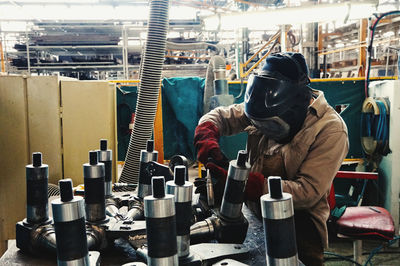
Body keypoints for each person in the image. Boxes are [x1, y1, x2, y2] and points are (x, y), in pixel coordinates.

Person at [194, 52, 349, 266]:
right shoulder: (263, 106)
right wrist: (206, 135)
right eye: (258, 123)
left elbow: (308, 192)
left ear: (295, 107)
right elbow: (220, 116)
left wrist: (246, 185)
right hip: (255, 218)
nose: (263, 128)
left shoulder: (330, 129)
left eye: (271, 125)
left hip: (300, 230)